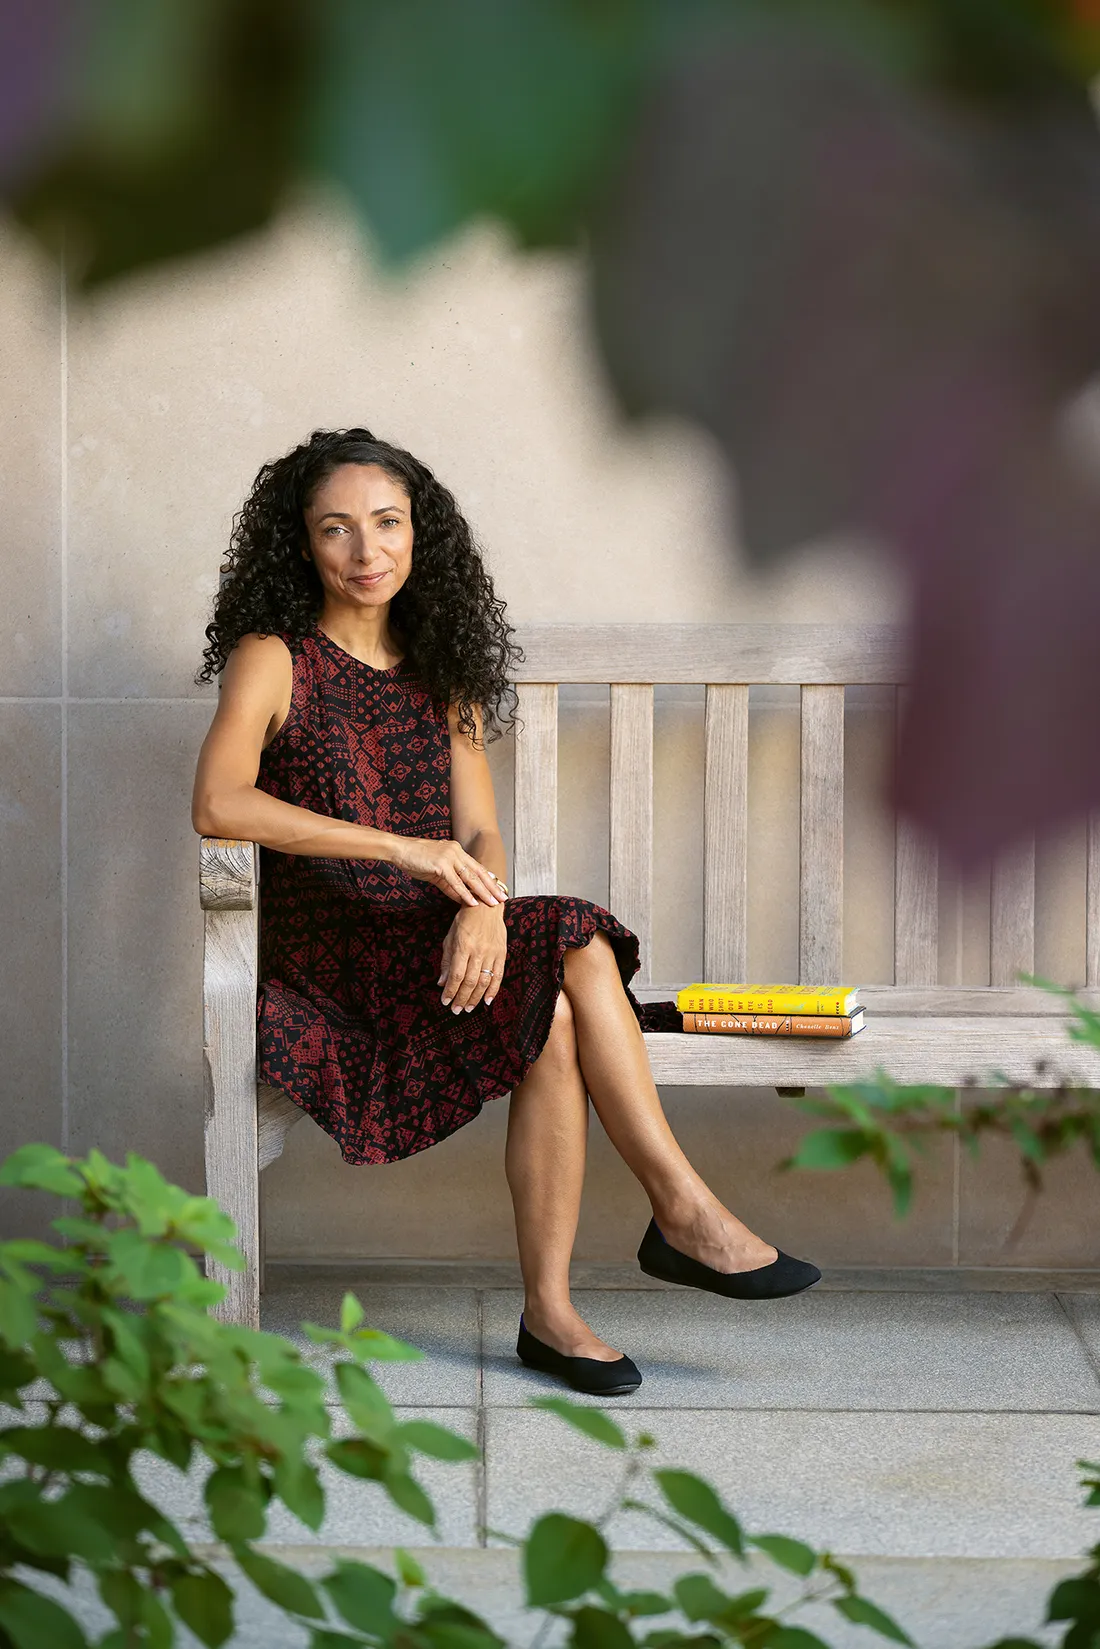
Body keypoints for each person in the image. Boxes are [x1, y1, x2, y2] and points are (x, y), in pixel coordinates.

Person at [191, 428, 820, 1396]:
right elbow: (220, 801)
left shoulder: (440, 668)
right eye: (336, 529)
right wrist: (403, 846)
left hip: (433, 946)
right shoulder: (274, 657)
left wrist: (478, 911)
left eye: (388, 523)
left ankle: (558, 1310)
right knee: (569, 947)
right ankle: (675, 1210)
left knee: (559, 1005)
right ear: (300, 545)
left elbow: (482, 832)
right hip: (329, 972)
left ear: (420, 532)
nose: (367, 551)